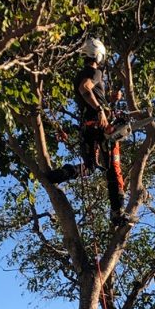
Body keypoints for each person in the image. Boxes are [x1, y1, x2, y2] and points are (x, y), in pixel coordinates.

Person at [47, 38, 130, 226]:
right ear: (98, 54)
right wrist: (101, 110)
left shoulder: (82, 73)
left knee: (90, 167)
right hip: (101, 128)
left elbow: (90, 94)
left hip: (87, 127)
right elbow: (85, 88)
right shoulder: (95, 72)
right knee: (113, 170)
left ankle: (60, 175)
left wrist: (109, 101)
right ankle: (118, 212)